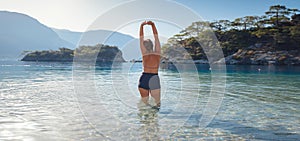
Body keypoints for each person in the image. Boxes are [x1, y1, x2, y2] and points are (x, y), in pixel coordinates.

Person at [138, 21, 161, 110]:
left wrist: (142, 26)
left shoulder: (145, 54)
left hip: (145, 78)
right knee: (156, 105)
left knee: (145, 105)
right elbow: (156, 38)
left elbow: (141, 38)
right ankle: (152, 122)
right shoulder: (157, 53)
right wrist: (152, 25)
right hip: (153, 78)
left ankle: (144, 122)